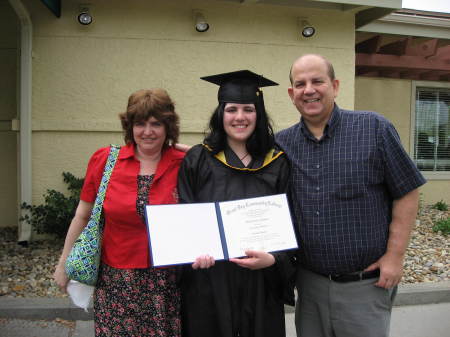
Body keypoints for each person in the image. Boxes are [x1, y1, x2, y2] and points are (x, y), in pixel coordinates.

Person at [276, 54, 427, 337]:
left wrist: (395, 256)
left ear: (334, 85)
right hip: (310, 286)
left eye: (317, 81)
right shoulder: (282, 144)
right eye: (300, 84)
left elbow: (407, 191)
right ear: (291, 93)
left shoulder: (374, 129)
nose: (309, 90)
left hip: (365, 286)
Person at [54, 89, 184, 337]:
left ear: (168, 126)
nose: (148, 131)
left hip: (168, 282)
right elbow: (82, 216)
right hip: (116, 281)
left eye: (157, 124)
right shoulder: (106, 161)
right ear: (129, 126)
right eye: (140, 123)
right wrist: (63, 264)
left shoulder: (184, 163)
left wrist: (181, 147)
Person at [177, 70, 297, 337]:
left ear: (259, 114)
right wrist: (195, 251)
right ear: (221, 113)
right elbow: (186, 216)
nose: (240, 117)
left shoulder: (277, 162)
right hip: (211, 280)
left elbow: (290, 223)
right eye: (231, 109)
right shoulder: (198, 159)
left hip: (260, 284)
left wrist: (274, 260)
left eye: (248, 109)